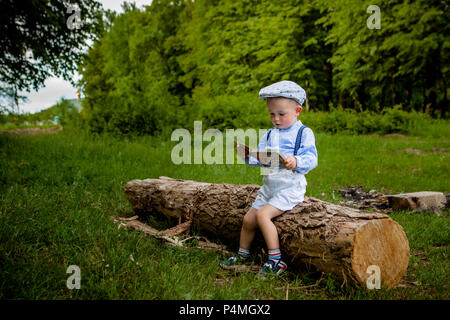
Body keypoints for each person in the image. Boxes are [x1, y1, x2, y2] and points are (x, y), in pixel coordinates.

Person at [220, 80, 318, 278]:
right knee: (248, 219)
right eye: (272, 114)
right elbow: (262, 159)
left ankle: (276, 260)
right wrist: (249, 157)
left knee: (262, 216)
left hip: (290, 187)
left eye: (282, 114)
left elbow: (311, 159)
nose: (276, 119)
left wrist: (295, 161)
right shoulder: (270, 134)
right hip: (270, 187)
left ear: (298, 110)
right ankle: (243, 254)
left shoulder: (303, 133)